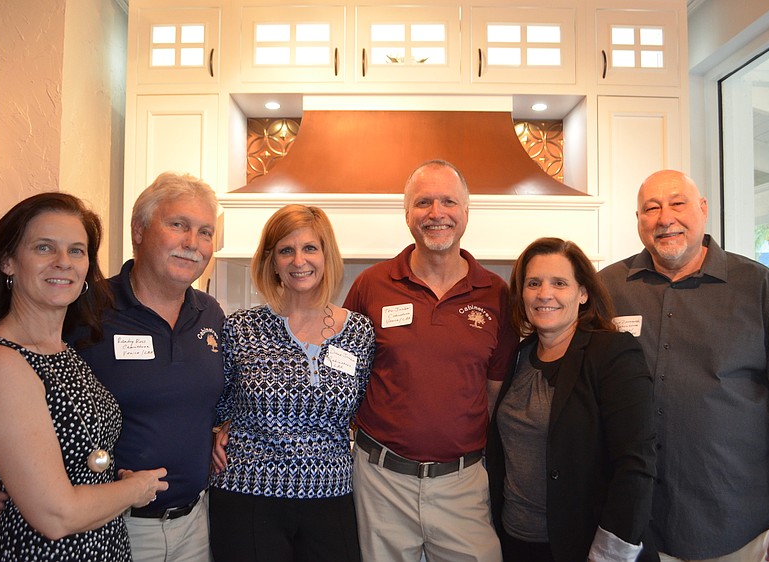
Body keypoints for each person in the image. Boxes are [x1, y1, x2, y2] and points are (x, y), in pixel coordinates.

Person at [0, 172, 225, 562]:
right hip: (110, 524)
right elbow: (18, 393)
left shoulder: (210, 313)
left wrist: (223, 427)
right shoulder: (84, 309)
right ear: (139, 230)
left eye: (205, 232)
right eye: (178, 225)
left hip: (194, 522)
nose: (192, 243)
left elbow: (216, 395)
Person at [0, 192, 168, 561]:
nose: (63, 263)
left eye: (76, 251)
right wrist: (137, 488)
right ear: (8, 261)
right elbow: (56, 515)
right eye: (43, 248)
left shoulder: (61, 349)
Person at [599, 169, 769, 562]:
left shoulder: (758, 287)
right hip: (639, 524)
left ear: (703, 209)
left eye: (677, 203)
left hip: (740, 523)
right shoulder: (609, 289)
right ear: (638, 221)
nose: (665, 217)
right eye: (651, 208)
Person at [343, 159, 519, 562]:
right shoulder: (371, 285)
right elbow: (345, 377)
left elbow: (493, 393)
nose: (436, 213)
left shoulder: (496, 293)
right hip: (381, 482)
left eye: (448, 202)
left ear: (466, 212)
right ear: (407, 214)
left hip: (462, 484)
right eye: (423, 202)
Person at [209, 204, 375, 562]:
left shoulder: (359, 333)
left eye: (310, 248)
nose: (299, 260)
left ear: (326, 254)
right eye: (286, 250)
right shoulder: (240, 328)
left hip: (330, 497)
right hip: (248, 494)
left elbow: (363, 405)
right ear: (272, 261)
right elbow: (213, 401)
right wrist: (211, 434)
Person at [485, 237, 656, 562]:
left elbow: (636, 465)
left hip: (586, 546)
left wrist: (610, 554)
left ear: (583, 292)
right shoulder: (520, 355)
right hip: (515, 541)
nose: (544, 293)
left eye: (559, 283)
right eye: (533, 283)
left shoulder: (613, 354)